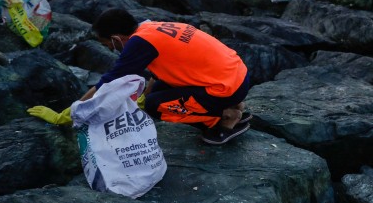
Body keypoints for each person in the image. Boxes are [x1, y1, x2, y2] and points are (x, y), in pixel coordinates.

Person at [82, 8, 254, 145]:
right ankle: (232, 104)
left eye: (108, 44)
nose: (111, 49)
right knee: (157, 91)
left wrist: (78, 108)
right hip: (237, 76)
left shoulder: (138, 42)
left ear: (116, 38)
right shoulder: (152, 28)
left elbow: (109, 81)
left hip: (226, 88)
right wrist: (144, 96)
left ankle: (224, 118)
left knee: (155, 105)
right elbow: (158, 75)